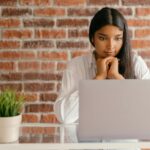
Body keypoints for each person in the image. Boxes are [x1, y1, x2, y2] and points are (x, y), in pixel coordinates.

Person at [54, 7, 150, 142]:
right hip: (86, 145)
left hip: (125, 146)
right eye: (103, 38)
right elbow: (64, 116)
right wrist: (97, 80)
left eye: (117, 38)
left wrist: (118, 78)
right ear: (92, 38)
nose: (111, 46)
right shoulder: (75, 66)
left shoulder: (135, 63)